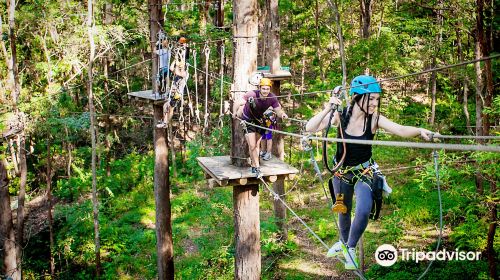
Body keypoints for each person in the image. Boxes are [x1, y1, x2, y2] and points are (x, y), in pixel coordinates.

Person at [305, 75, 438, 270]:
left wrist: (420, 131)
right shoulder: (340, 116)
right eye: (371, 98)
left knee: (364, 208)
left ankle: (349, 248)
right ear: (357, 97)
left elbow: (400, 130)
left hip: (364, 172)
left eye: (377, 99)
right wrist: (328, 107)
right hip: (341, 173)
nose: (375, 103)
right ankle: (342, 243)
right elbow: (310, 127)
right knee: (343, 210)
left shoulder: (374, 119)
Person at [235, 78, 288, 178]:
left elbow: (278, 111)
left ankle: (254, 165)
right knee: (252, 145)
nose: (265, 91)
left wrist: (283, 115)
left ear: (270, 89)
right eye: (263, 89)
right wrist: (234, 112)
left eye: (267, 89)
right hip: (248, 120)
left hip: (260, 121)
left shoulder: (272, 98)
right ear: (259, 88)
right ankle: (257, 168)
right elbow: (238, 102)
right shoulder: (252, 94)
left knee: (256, 145)